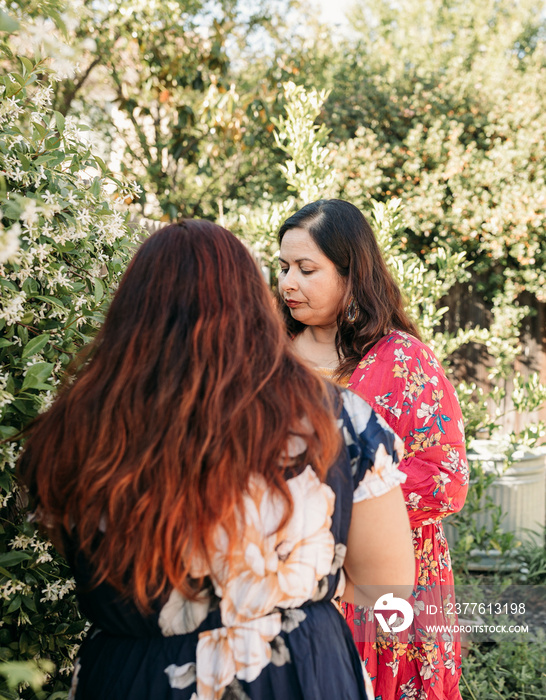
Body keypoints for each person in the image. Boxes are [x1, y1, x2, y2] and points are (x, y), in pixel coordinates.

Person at [18, 220, 415, 700]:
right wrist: (288, 586)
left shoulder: (73, 426)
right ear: (251, 304)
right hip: (292, 671)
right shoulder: (336, 417)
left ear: (131, 310)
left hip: (136, 675)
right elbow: (385, 584)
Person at [277, 199, 468, 700]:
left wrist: (345, 506)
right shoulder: (265, 355)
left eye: (306, 269)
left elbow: (446, 476)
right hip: (291, 584)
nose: (288, 283)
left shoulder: (403, 360)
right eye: (283, 268)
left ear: (350, 273)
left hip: (391, 580)